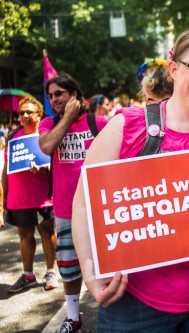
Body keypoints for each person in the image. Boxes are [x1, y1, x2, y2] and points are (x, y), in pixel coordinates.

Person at [72, 28, 189, 332]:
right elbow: (84, 205)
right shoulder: (126, 126)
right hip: (135, 304)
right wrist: (90, 271)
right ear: (174, 69)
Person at [39, 74, 108, 333]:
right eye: (51, 96)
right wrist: (67, 117)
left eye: (59, 94)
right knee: (68, 266)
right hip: (66, 210)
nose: (54, 99)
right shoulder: (49, 123)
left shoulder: (97, 122)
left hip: (100, 206)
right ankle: (73, 317)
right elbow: (46, 147)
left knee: (107, 261)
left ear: (74, 94)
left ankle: (112, 313)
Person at [2, 97, 58, 293]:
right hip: (20, 197)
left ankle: (51, 271)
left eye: (29, 112)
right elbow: (6, 170)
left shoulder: (48, 135)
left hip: (44, 196)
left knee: (47, 232)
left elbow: (59, 165)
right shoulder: (12, 137)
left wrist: (45, 170)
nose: (24, 116)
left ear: (39, 114)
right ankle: (28, 275)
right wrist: (3, 200)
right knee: (24, 236)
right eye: (21, 113)